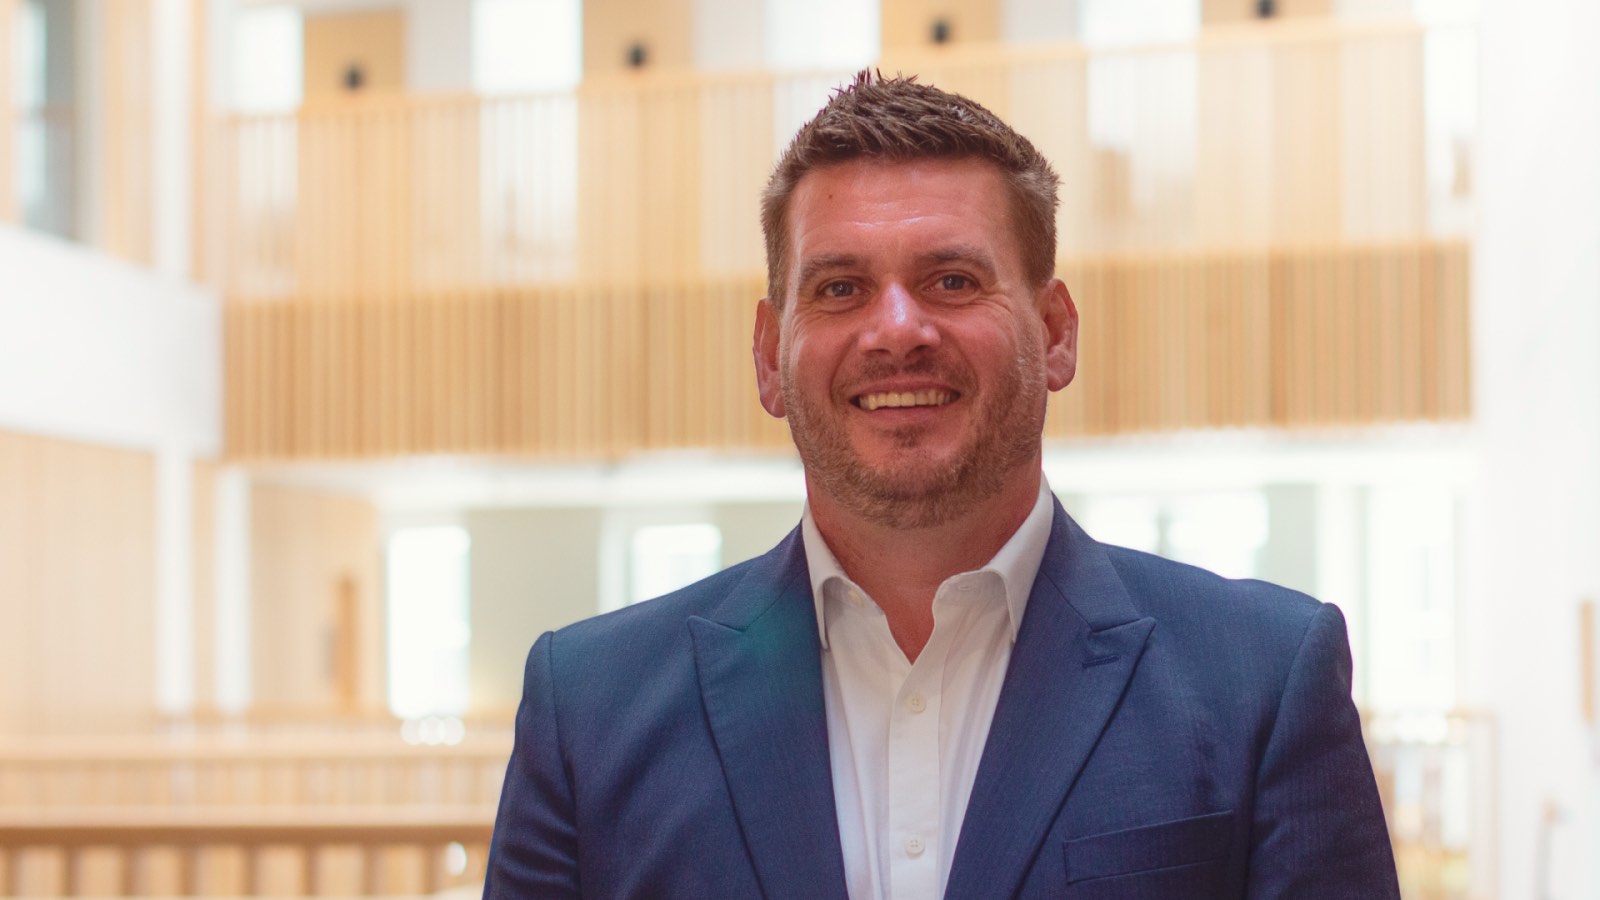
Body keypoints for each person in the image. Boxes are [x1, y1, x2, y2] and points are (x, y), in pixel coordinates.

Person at [484, 71, 1399, 899]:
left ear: (1056, 332)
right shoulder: (590, 711)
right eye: (839, 289)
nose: (896, 330)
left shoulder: (1262, 683)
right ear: (769, 356)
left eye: (952, 280)